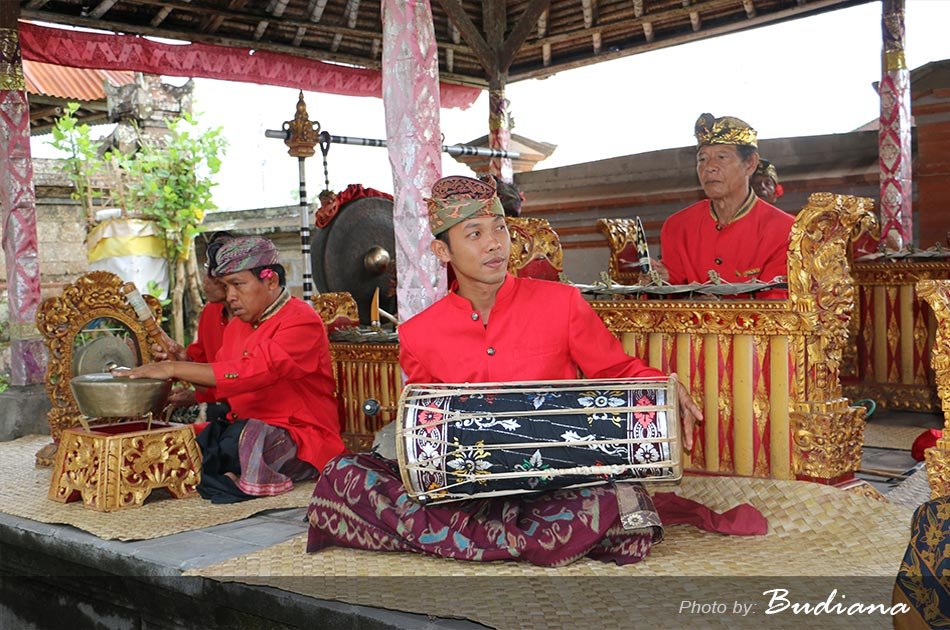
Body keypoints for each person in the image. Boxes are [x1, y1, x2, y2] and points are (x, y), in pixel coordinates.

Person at [306, 176, 714, 567]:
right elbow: (430, 425)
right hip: (471, 488)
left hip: (557, 480)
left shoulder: (561, 304)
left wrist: (664, 387)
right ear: (443, 252)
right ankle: (516, 538)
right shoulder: (418, 334)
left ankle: (469, 539)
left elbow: (618, 369)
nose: (494, 245)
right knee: (345, 474)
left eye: (499, 228)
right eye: (475, 234)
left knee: (614, 497)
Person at [116, 236, 344, 502]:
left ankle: (246, 475)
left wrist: (172, 367)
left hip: (300, 437)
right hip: (240, 428)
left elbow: (252, 372)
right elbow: (217, 389)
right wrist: (185, 365)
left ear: (269, 281)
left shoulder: (302, 320)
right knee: (182, 439)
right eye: (226, 286)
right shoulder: (237, 325)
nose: (231, 296)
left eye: (238, 285)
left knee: (252, 437)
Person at [657, 114, 795, 296]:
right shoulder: (677, 226)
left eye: (721, 157)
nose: (709, 167)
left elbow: (776, 307)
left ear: (750, 163)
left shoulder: (786, 231)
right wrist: (659, 280)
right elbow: (670, 289)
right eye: (702, 159)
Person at [165, 231, 235, 409]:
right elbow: (203, 371)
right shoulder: (211, 312)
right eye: (207, 269)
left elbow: (242, 380)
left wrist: (198, 396)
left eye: (212, 273)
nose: (205, 281)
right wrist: (181, 359)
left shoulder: (262, 318)